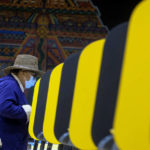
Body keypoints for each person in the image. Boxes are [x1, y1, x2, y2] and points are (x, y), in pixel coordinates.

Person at [0, 54, 44, 150]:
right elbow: (4, 107)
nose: (34, 78)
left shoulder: (15, 86)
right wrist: (27, 111)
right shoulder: (9, 84)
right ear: (23, 72)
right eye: (33, 75)